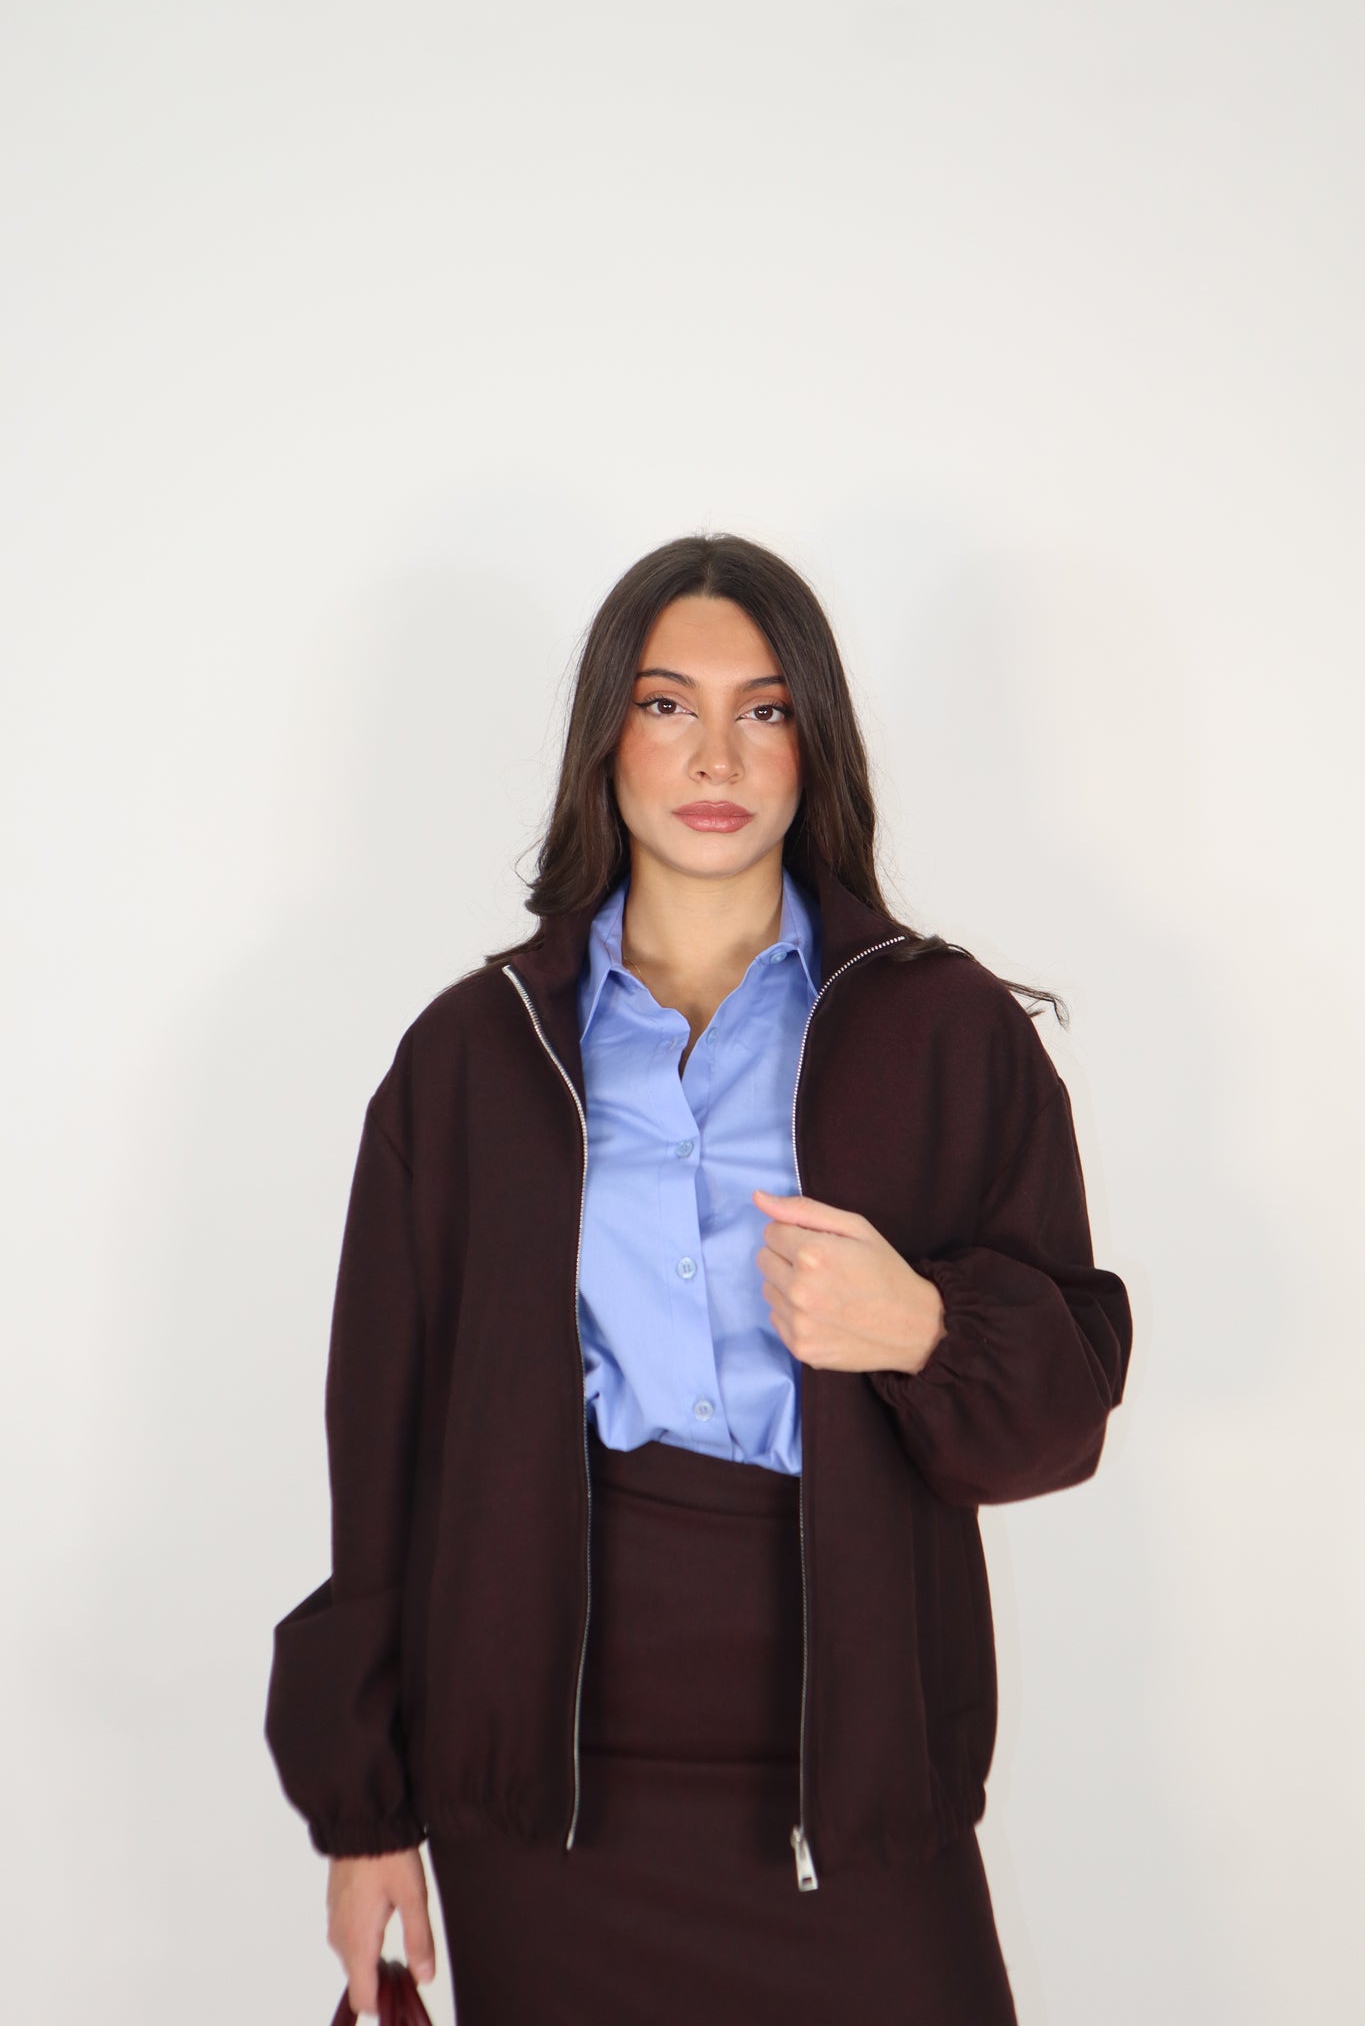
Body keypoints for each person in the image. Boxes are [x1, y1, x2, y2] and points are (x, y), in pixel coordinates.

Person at [265, 531, 1134, 2024]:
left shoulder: (944, 1031)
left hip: (853, 1763)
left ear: (814, 745)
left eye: (764, 709)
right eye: (666, 705)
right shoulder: (473, 1056)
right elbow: (385, 1456)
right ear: (606, 740)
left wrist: (922, 1327)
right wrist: (363, 1815)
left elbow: (1059, 1420)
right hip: (541, 1793)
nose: (714, 754)